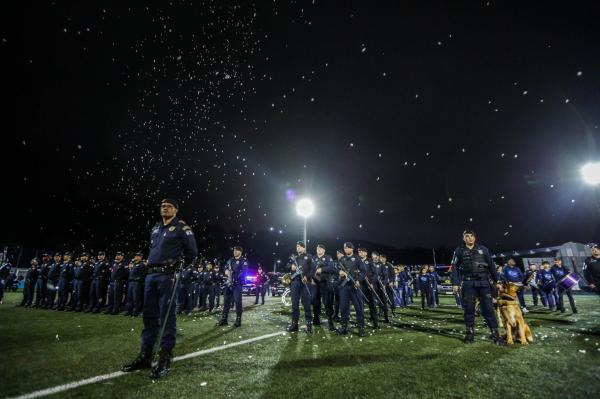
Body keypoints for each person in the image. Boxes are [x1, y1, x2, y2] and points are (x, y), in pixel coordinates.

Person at [122, 198, 197, 379]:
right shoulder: (156, 229)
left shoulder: (182, 228)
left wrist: (180, 266)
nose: (165, 208)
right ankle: (145, 356)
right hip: (151, 275)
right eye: (163, 206)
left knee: (166, 317)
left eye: (169, 206)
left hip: (168, 276)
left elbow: (192, 252)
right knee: (149, 317)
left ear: (176, 210)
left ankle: (164, 358)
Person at [451, 230, 504, 345]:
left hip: (483, 283)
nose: (469, 238)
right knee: (469, 309)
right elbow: (454, 267)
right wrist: (455, 283)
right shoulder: (459, 250)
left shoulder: (483, 249)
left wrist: (497, 280)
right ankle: (469, 333)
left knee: (488, 308)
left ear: (475, 238)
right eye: (467, 236)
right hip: (468, 283)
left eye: (471, 236)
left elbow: (491, 266)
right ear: (464, 238)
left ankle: (495, 333)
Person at [336, 242, 366, 337]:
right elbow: (336, 268)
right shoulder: (342, 259)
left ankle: (361, 328)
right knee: (344, 308)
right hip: (344, 287)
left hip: (355, 286)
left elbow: (363, 271)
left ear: (351, 249)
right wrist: (339, 272)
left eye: (347, 248)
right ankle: (344, 327)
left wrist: (358, 280)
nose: (345, 250)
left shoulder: (357, 259)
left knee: (359, 308)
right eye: (344, 248)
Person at [285, 241, 315, 333]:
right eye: (297, 246)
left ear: (304, 248)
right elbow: (286, 266)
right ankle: (294, 324)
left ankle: (309, 325)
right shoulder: (293, 257)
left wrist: (307, 276)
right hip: (295, 282)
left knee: (306, 304)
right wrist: (291, 267)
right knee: (294, 305)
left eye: (300, 246)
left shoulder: (309, 256)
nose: (298, 248)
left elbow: (313, 269)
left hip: (305, 282)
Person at [217, 246, 248, 327]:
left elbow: (244, 272)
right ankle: (224, 319)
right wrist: (226, 270)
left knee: (238, 303)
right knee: (226, 302)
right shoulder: (230, 260)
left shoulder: (243, 261)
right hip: (229, 283)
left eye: (236, 250)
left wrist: (234, 276)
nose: (234, 251)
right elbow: (225, 267)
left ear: (240, 252)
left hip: (237, 284)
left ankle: (238, 320)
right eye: (234, 250)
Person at [311, 244, 333, 325]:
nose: (318, 250)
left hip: (325, 283)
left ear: (324, 250)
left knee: (327, 302)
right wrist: (311, 279)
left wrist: (322, 269)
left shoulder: (328, 257)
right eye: (317, 248)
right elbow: (311, 269)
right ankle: (316, 318)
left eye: (320, 249)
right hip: (315, 283)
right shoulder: (314, 258)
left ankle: (330, 320)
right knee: (315, 301)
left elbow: (331, 267)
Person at [124, 252, 146, 317]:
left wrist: (140, 280)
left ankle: (136, 311)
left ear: (140, 257)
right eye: (135, 256)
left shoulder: (142, 264)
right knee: (129, 297)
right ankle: (129, 311)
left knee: (136, 298)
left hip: (137, 282)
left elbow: (143, 274)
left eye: (137, 256)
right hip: (130, 282)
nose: (135, 257)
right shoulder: (133, 264)